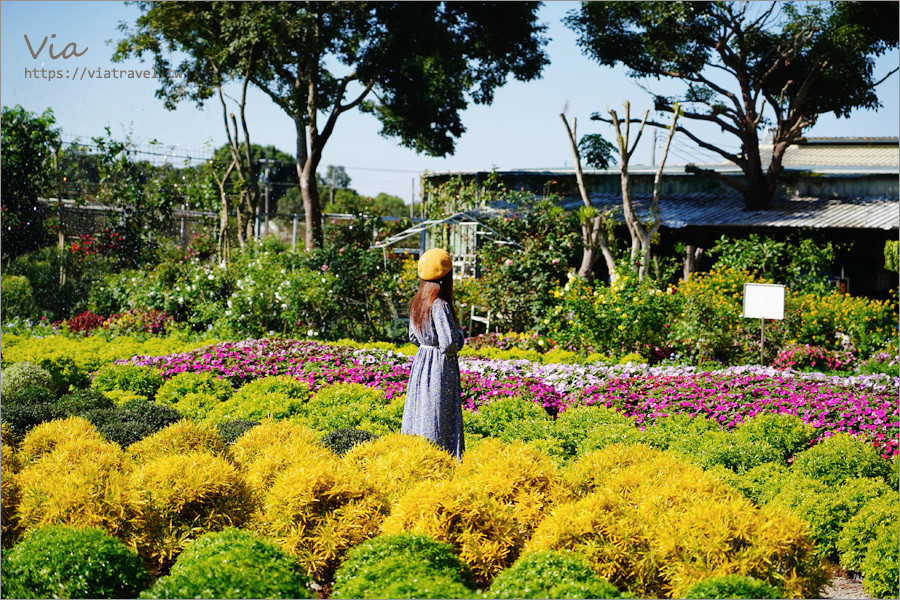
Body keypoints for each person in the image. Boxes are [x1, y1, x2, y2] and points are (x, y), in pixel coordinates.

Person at [401, 247, 466, 459]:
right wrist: (459, 336)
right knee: (439, 411)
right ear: (445, 276)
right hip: (439, 365)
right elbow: (448, 343)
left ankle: (416, 453)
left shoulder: (417, 302)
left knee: (422, 408)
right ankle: (440, 457)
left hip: (421, 362)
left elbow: (412, 337)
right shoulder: (440, 305)